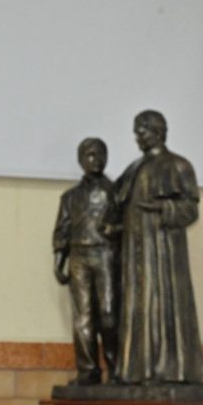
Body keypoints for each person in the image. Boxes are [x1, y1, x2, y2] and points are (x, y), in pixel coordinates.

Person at [114, 110, 203, 384]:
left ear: (157, 131)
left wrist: (162, 208)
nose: (137, 137)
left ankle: (169, 369)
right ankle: (137, 369)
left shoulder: (178, 166)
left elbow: (190, 209)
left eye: (141, 132)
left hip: (164, 252)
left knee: (164, 305)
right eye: (136, 132)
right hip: (135, 252)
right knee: (138, 305)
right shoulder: (133, 169)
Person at [53, 137, 119, 385]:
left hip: (106, 255)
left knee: (109, 314)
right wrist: (59, 259)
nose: (96, 159)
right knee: (83, 317)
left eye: (101, 154)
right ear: (81, 160)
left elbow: (131, 225)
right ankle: (88, 371)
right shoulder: (70, 197)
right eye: (90, 155)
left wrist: (116, 229)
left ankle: (117, 369)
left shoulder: (117, 193)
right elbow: (62, 230)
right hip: (79, 257)